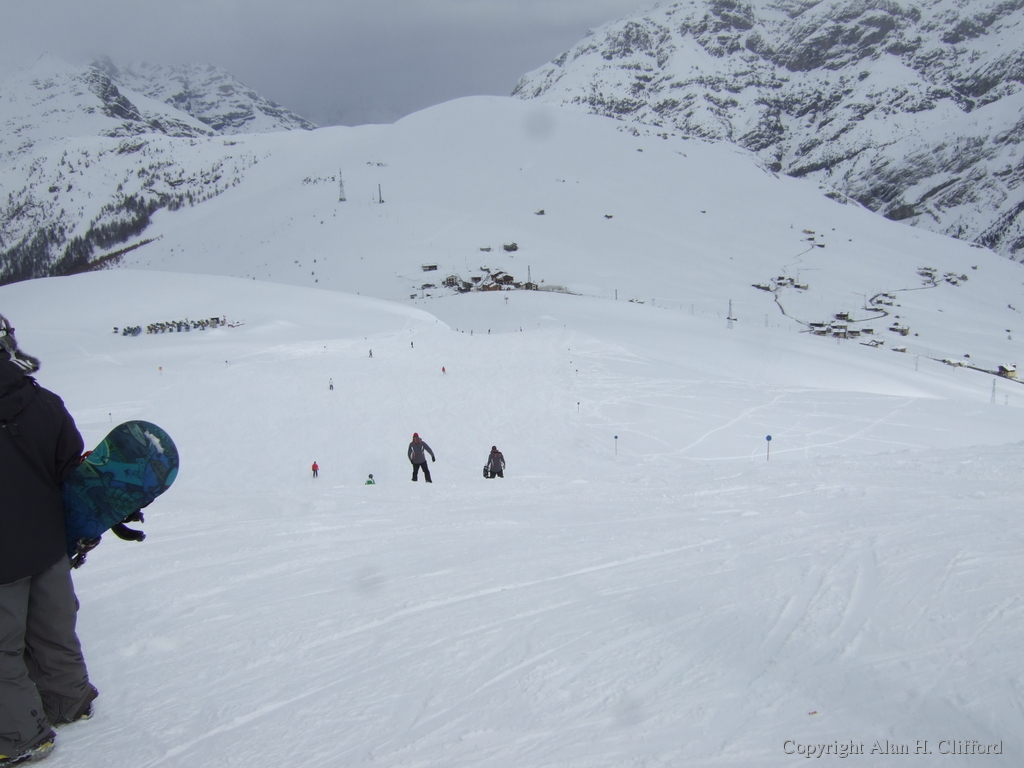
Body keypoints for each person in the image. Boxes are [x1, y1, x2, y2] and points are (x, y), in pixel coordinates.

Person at [0, 314, 98, 766]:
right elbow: (69, 469)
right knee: (53, 629)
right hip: (48, 544)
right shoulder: (43, 401)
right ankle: (68, 701)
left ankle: (17, 735)